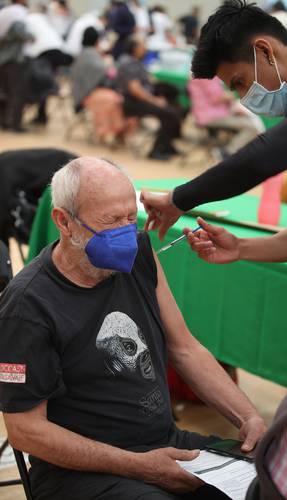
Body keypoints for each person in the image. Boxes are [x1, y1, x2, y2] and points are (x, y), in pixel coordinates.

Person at [140, 1, 287, 497]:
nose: (244, 98)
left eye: (238, 82)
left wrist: (180, 198)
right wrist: (241, 248)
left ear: (265, 50)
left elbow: (265, 156)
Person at [0, 157, 266, 500]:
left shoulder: (138, 253)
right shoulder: (27, 308)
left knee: (272, 479)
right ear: (64, 221)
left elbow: (184, 348)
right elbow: (25, 432)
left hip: (164, 445)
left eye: (130, 217)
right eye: (111, 221)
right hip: (79, 472)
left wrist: (248, 417)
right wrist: (139, 465)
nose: (127, 232)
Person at [116, 36, 182, 160]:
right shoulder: (129, 63)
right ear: (134, 48)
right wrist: (155, 100)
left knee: (175, 102)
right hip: (133, 102)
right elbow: (135, 90)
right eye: (143, 46)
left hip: (140, 98)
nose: (145, 49)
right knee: (169, 113)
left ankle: (167, 144)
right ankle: (156, 150)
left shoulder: (135, 61)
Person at [188, 76, 259, 157]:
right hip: (211, 117)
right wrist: (234, 95)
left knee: (247, 120)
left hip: (207, 115)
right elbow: (217, 97)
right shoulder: (206, 76)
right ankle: (226, 153)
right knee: (251, 126)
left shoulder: (199, 75)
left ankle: (231, 151)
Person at [0, 0, 32, 131]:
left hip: (2, 58)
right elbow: (20, 31)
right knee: (17, 92)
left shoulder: (4, 12)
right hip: (14, 58)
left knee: (3, 92)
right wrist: (32, 36)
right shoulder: (18, 12)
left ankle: (3, 121)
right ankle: (16, 124)